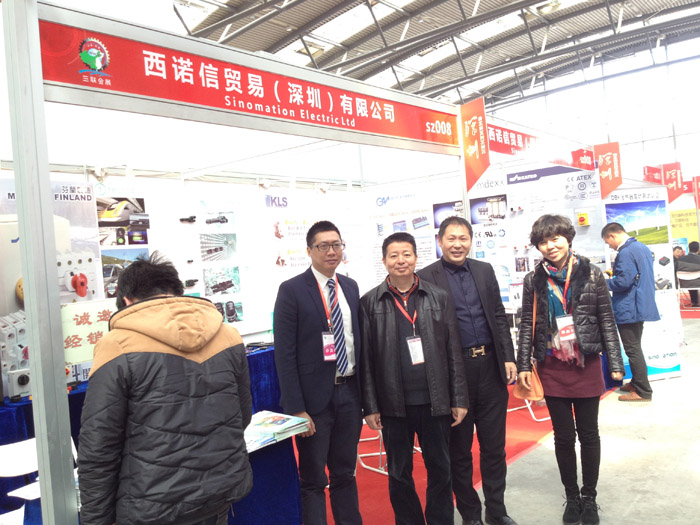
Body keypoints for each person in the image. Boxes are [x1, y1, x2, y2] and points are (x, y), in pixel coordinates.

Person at [78, 252, 252, 525]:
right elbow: (242, 414)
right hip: (217, 495)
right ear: (177, 292)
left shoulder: (117, 345)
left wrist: (95, 520)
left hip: (152, 505)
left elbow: (99, 446)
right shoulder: (228, 335)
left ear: (126, 300)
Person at [517, 215, 624, 525]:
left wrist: (616, 363)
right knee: (563, 437)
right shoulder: (533, 279)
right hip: (551, 366)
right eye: (543, 242)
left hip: (586, 363)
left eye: (555, 239)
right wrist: (523, 364)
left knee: (589, 434)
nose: (550, 246)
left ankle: (589, 497)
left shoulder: (592, 274)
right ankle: (572, 496)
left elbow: (606, 320)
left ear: (567, 238)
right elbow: (527, 324)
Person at [361, 232, 468, 525]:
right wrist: (370, 406)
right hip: (393, 405)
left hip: (435, 401)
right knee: (399, 473)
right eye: (394, 255)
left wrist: (459, 398)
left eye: (406, 254)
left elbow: (453, 351)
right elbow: (366, 360)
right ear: (384, 261)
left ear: (416, 258)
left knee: (441, 470)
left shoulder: (438, 296)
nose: (401, 260)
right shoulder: (369, 302)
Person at [418, 216, 518, 525]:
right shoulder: (426, 277)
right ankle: (470, 515)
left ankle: (497, 512)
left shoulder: (484, 270)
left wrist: (508, 356)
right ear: (440, 241)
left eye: (463, 238)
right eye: (451, 238)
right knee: (459, 451)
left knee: (494, 448)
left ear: (471, 240)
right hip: (454, 374)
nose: (457, 244)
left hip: (490, 368)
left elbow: (498, 315)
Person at [273, 221, 363, 525]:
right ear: (309, 250)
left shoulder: (350, 286)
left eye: (336, 245)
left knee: (345, 473)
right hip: (313, 402)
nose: (331, 251)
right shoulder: (292, 290)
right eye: (323, 246)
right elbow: (285, 355)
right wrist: (296, 409)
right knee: (313, 479)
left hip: (350, 392)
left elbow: (357, 342)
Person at [601, 222, 660, 402]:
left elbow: (623, 282)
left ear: (612, 235)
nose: (610, 246)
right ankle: (636, 382)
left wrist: (602, 282)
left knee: (632, 349)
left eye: (608, 242)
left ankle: (643, 391)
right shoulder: (641, 247)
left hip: (629, 306)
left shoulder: (625, 252)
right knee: (635, 347)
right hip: (639, 303)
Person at [675, 241, 700, 307]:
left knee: (691, 279)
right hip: (698, 283)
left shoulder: (680, 259)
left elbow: (675, 271)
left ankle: (694, 302)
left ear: (689, 249)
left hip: (683, 283)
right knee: (694, 279)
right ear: (698, 250)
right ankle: (695, 302)